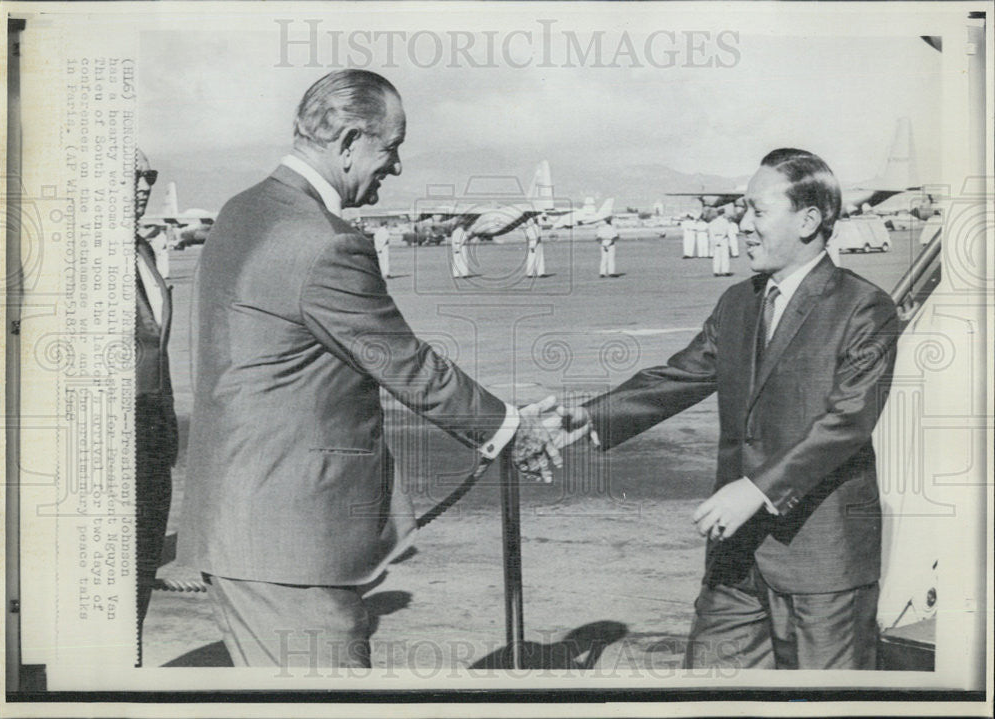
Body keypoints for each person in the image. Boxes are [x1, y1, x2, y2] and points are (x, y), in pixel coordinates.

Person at [180, 70, 559, 669]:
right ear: (351, 141)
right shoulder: (322, 240)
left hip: (243, 529)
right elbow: (405, 363)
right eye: (392, 148)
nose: (398, 167)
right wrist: (511, 429)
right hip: (292, 543)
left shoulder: (243, 209)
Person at [555, 149, 899, 670]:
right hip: (736, 560)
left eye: (757, 212)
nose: (742, 224)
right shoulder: (739, 302)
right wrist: (591, 415)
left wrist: (759, 488)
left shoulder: (864, 308)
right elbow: (681, 375)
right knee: (711, 694)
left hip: (821, 566)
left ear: (808, 221)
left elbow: (846, 422)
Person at [133, 149, 178, 644]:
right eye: (131, 175)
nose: (144, 185)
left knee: (141, 573)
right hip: (111, 440)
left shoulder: (142, 249)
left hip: (153, 433)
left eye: (150, 174)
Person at [707, 208, 732, 277]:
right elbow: (726, 231)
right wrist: (721, 239)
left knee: (716, 256)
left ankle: (716, 271)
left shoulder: (713, 222)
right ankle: (725, 271)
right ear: (723, 213)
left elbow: (710, 232)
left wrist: (715, 240)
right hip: (723, 239)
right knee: (724, 255)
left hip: (715, 238)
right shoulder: (725, 221)